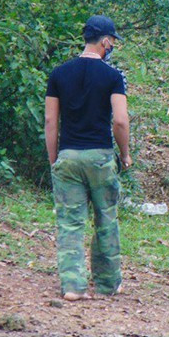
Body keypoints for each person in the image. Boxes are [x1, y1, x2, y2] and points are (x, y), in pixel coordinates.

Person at [44, 15, 132, 301]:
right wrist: (125, 154)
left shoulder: (59, 74)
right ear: (105, 41)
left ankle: (73, 286)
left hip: (69, 156)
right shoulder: (113, 76)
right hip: (101, 158)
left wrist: (54, 158)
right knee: (106, 219)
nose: (113, 46)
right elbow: (120, 121)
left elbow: (50, 121)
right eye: (113, 41)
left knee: (70, 223)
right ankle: (107, 284)